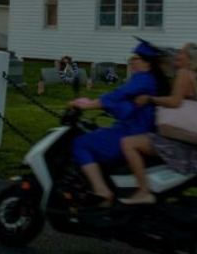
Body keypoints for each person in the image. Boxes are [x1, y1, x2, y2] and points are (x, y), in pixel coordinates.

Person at [118, 43, 197, 206]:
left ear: (189, 59)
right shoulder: (191, 75)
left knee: (128, 143)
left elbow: (174, 102)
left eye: (181, 53)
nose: (177, 55)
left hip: (176, 141)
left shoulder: (184, 73)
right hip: (184, 139)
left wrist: (150, 99)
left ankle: (143, 191)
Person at [67, 41, 170, 204]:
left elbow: (117, 95)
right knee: (95, 133)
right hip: (129, 128)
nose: (132, 61)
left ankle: (102, 192)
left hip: (132, 132)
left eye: (135, 58)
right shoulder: (148, 79)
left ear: (147, 63)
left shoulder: (144, 79)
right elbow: (125, 105)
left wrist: (87, 105)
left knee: (81, 143)